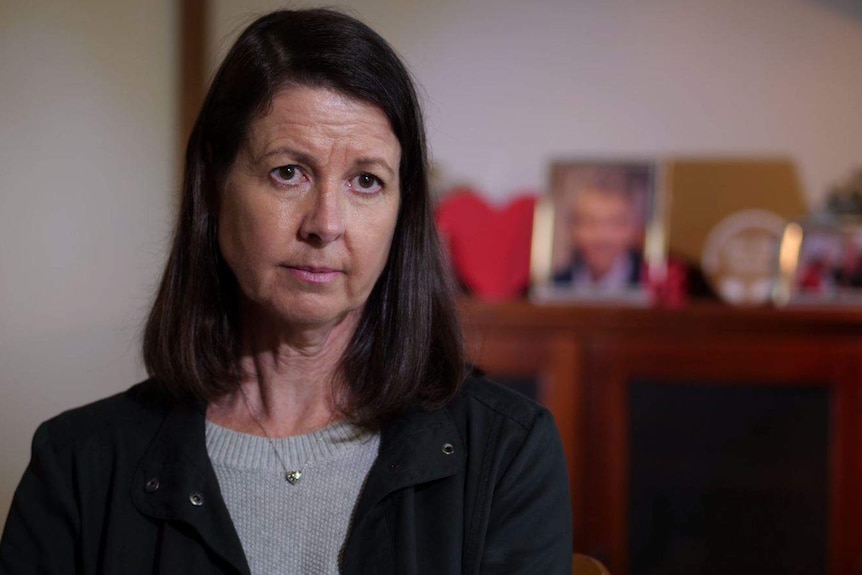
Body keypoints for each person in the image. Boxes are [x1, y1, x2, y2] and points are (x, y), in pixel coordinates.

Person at [0, 9, 573, 574]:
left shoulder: (507, 451)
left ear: (404, 213)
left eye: (366, 181)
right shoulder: (77, 465)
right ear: (213, 185)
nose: (325, 223)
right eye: (288, 172)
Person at [553, 167, 646, 292]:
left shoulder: (658, 287)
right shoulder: (553, 285)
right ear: (571, 227)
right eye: (589, 222)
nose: (603, 236)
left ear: (636, 228)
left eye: (617, 223)